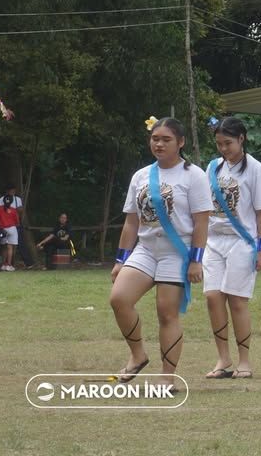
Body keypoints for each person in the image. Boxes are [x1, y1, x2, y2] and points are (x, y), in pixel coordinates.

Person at [109, 117, 212, 388]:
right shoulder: (141, 175)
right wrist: (121, 260)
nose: (159, 144)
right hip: (145, 248)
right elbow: (131, 221)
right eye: (155, 139)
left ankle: (168, 376)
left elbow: (202, 221)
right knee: (119, 299)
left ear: (180, 142)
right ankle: (138, 355)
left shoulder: (194, 176)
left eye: (166, 139)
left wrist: (195, 261)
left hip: (176, 252)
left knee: (167, 313)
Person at [204, 116, 261, 380]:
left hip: (243, 242)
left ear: (241, 139)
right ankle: (223, 359)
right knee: (212, 297)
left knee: (237, 301)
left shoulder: (255, 170)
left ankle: (244, 361)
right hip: (213, 241)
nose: (223, 148)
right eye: (219, 143)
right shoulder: (212, 169)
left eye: (228, 143)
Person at [0, 186, 22, 271]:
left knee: (4, 247)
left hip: (3, 229)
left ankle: (3, 265)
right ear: (11, 201)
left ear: (3, 201)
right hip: (12, 229)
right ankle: (9, 264)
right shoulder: (13, 210)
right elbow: (17, 222)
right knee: (10, 247)